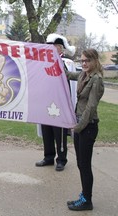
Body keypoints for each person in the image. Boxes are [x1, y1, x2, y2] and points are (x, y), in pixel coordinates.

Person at [66, 48, 104, 211]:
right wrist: (55, 61)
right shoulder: (83, 75)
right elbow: (69, 75)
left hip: (87, 126)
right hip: (80, 124)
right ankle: (84, 195)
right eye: (82, 61)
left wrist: (78, 127)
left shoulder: (96, 80)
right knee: (81, 164)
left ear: (95, 61)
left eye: (87, 61)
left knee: (85, 164)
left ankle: (87, 200)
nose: (84, 63)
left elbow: (91, 106)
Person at [36, 33, 77, 171]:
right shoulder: (43, 61)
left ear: (60, 48)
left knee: (59, 133)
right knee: (46, 131)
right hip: (45, 101)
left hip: (59, 103)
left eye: (54, 46)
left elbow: (70, 82)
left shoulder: (67, 63)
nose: (52, 49)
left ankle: (61, 159)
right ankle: (48, 156)